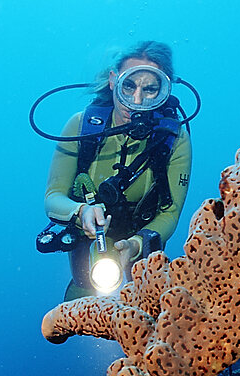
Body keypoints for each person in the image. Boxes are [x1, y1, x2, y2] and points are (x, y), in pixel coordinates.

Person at [44, 41, 192, 300]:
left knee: (151, 311)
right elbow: (53, 197)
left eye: (150, 89)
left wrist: (135, 244)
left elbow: (170, 213)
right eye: (129, 85)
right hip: (87, 240)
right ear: (113, 81)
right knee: (79, 303)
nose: (136, 100)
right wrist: (80, 212)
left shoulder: (175, 139)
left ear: (164, 91)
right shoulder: (81, 126)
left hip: (143, 243)